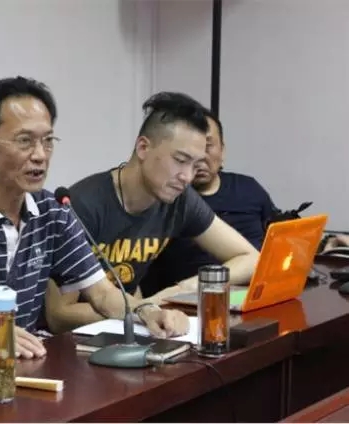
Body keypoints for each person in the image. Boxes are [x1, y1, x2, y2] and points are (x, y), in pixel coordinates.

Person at [0, 77, 189, 364]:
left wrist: (148, 312)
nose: (40, 155)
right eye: (25, 141)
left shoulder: (52, 211)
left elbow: (101, 294)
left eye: (47, 141)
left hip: (16, 369)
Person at [45, 92, 260, 334]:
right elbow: (59, 315)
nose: (188, 176)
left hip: (130, 327)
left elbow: (250, 258)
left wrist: (182, 290)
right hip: (75, 341)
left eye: (195, 165)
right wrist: (145, 310)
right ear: (143, 147)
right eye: (180, 160)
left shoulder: (179, 198)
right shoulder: (83, 205)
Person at [140, 110, 277, 293]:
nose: (200, 158)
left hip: (253, 292)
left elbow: (269, 245)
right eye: (185, 155)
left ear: (222, 150)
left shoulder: (249, 188)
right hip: (190, 301)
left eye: (207, 146)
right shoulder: (168, 199)